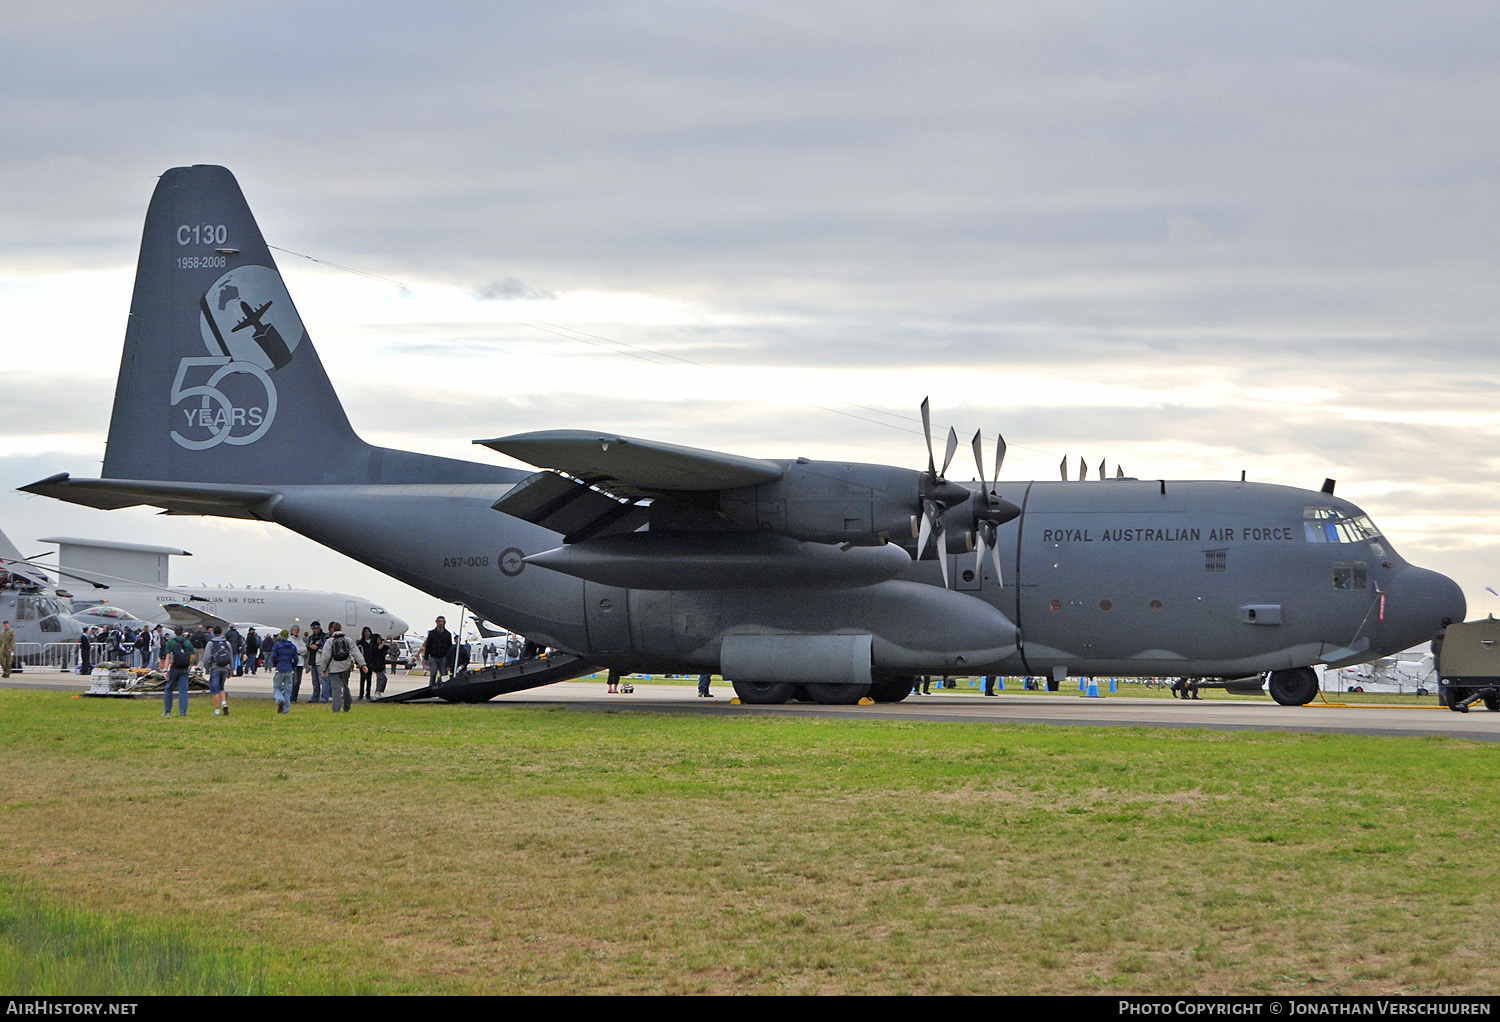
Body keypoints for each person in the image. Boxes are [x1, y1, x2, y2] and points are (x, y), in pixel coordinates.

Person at [319, 621, 364, 713]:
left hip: (334, 668)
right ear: (341, 629)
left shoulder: (330, 641)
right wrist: (363, 664)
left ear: (332, 630)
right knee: (345, 686)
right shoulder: (348, 640)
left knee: (336, 689)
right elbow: (356, 652)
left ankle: (336, 708)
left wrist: (323, 669)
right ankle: (347, 705)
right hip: (346, 666)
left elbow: (325, 656)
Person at [161, 627, 194, 717]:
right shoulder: (187, 642)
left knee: (169, 688)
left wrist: (165, 670)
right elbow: (192, 655)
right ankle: (183, 712)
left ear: (175, 633)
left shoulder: (171, 642)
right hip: (184, 668)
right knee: (183, 690)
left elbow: (168, 656)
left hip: (174, 667)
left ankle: (167, 711)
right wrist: (189, 665)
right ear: (182, 632)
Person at [204, 625, 233, 716]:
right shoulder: (227, 643)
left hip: (215, 667)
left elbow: (207, 657)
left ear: (213, 632)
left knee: (215, 689)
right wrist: (230, 671)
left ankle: (217, 711)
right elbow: (231, 657)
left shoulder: (211, 643)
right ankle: (224, 703)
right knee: (221, 687)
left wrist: (207, 668)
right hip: (225, 668)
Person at [269, 628, 299, 713]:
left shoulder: (277, 646)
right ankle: (286, 710)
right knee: (288, 691)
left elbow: (273, 657)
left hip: (280, 668)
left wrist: (276, 664)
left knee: (277, 688)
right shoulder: (292, 646)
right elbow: (296, 659)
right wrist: (292, 666)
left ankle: (279, 699)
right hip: (289, 669)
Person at [419, 616, 453, 687]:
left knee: (444, 674)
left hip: (443, 657)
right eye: (439, 621)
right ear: (436, 622)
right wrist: (425, 658)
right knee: (433, 673)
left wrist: (449, 660)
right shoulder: (432, 633)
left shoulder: (448, 634)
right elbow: (428, 646)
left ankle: (444, 688)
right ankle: (431, 688)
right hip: (433, 657)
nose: (440, 623)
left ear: (444, 623)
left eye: (442, 621)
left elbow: (450, 647)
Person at [303, 622, 326, 702]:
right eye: (313, 629)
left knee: (323, 681)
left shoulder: (324, 637)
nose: (314, 630)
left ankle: (324, 698)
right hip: (313, 661)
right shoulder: (311, 637)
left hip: (320, 661)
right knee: (315, 682)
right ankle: (315, 698)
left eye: (315, 629)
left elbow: (325, 649)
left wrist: (316, 648)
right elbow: (308, 648)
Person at [288, 624, 308, 701]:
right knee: (293, 681)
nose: (296, 631)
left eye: (297, 630)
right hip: (293, 662)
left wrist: (298, 651)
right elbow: (292, 650)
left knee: (298, 682)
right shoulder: (289, 640)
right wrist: (298, 651)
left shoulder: (300, 640)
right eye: (294, 630)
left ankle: (295, 697)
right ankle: (291, 697)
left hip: (300, 663)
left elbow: (305, 649)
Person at [356, 626, 377, 700]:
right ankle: (361, 694)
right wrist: (358, 663)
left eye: (368, 632)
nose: (367, 633)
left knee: (369, 679)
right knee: (362, 679)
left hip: (370, 663)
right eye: (366, 632)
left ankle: (368, 694)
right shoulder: (360, 643)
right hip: (363, 663)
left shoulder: (372, 643)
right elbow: (357, 653)